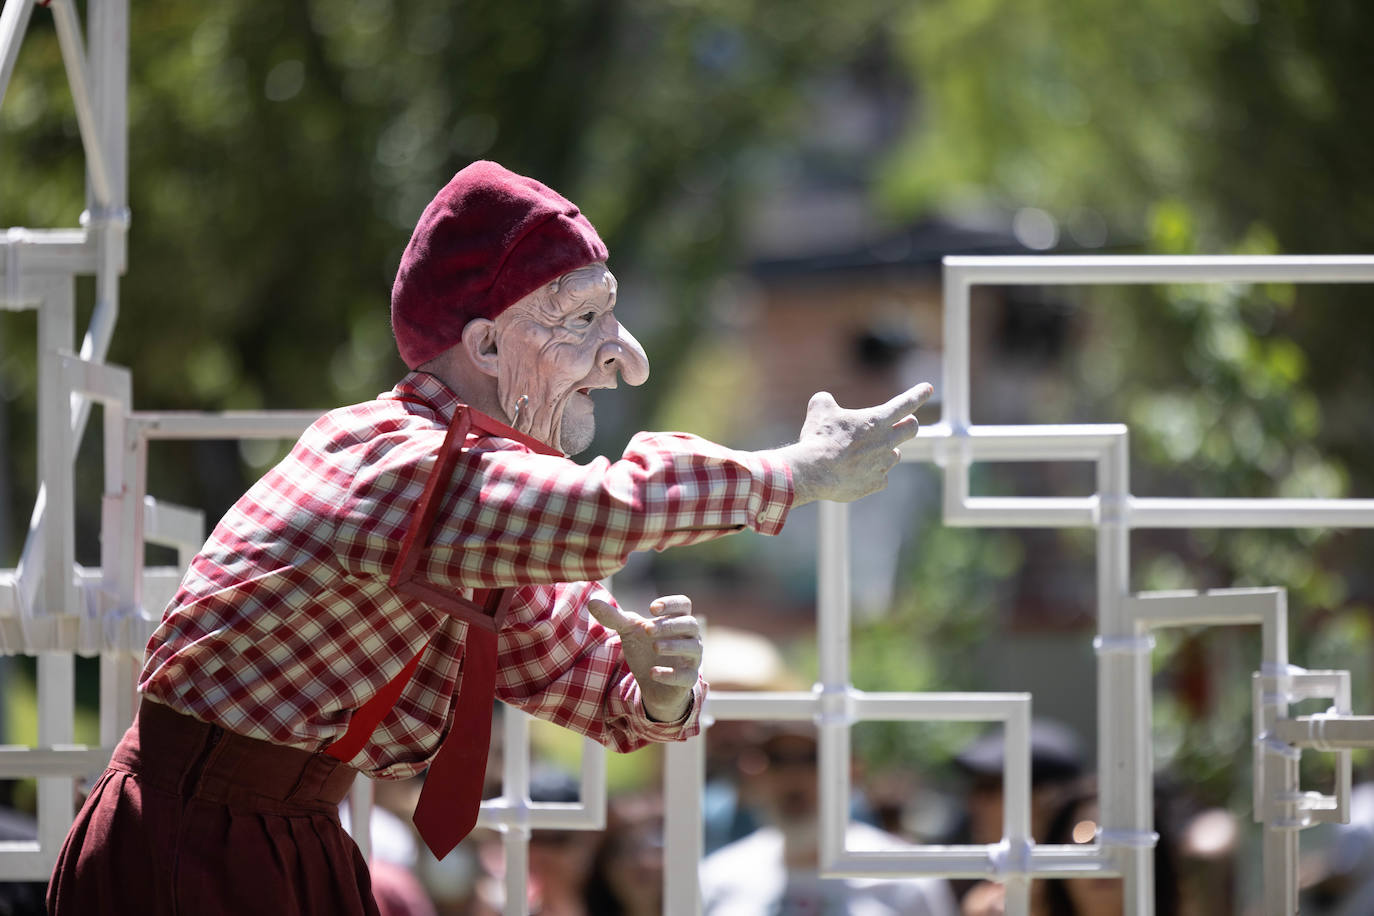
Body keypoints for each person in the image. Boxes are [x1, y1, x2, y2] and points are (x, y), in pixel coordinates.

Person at [45, 159, 934, 915]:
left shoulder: (479, 507)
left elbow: (586, 682)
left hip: (284, 834)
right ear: (489, 345)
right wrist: (795, 473)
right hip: (192, 841)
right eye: (583, 318)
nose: (630, 356)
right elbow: (610, 512)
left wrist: (660, 691)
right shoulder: (398, 462)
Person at [700, 723, 956, 915]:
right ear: (756, 773)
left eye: (813, 759)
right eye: (778, 760)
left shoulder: (905, 879)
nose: (794, 778)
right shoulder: (718, 877)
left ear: (852, 771)